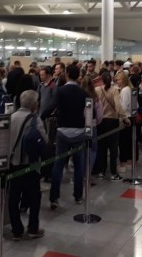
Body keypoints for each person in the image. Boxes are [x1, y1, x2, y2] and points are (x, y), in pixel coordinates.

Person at [44, 64, 88, 209]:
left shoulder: (60, 91)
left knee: (58, 165)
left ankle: (54, 198)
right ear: (78, 76)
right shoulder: (83, 93)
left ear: (67, 74)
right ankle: (78, 196)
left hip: (62, 131)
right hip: (79, 132)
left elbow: (50, 107)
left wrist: (40, 117)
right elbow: (89, 112)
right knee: (78, 165)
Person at [8, 90, 47, 241]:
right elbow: (43, 139)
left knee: (13, 197)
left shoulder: (10, 117)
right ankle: (32, 227)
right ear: (34, 104)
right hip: (30, 165)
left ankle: (16, 230)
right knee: (34, 197)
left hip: (13, 164)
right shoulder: (35, 120)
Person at [94, 72, 127, 181]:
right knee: (113, 149)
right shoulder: (114, 90)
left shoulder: (97, 90)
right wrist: (124, 117)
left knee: (101, 148)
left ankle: (101, 171)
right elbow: (118, 105)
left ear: (101, 79)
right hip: (112, 121)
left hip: (101, 121)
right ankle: (113, 173)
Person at [116, 71, 134, 173]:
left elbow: (123, 106)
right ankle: (128, 161)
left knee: (123, 142)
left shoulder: (125, 90)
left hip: (126, 117)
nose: (117, 81)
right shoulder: (128, 89)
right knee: (127, 141)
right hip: (129, 116)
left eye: (118, 79)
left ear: (123, 80)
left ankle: (124, 163)